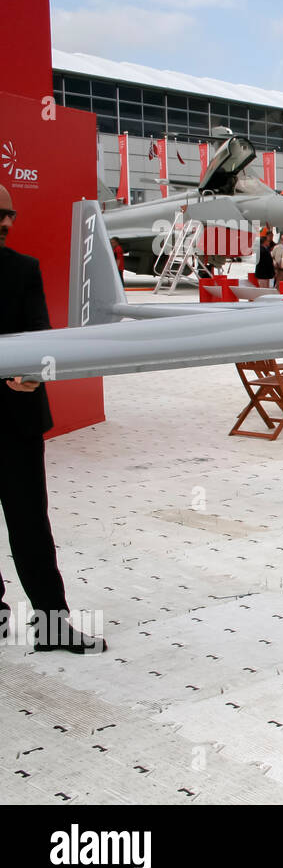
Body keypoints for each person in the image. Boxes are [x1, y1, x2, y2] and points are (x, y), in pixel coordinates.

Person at [0, 184, 105, 654]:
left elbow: (42, 339)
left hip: (16, 424)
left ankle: (52, 624)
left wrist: (33, 375)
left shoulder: (24, 269)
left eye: (11, 215)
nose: (6, 222)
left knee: (31, 527)